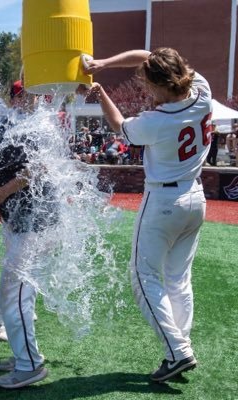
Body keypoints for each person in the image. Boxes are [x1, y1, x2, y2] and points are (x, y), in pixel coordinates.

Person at [83, 47, 212, 382]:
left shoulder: (157, 121)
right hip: (195, 196)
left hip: (163, 201)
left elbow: (119, 126)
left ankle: (178, 352)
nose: (145, 89)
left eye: (148, 84)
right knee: (178, 279)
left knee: (144, 279)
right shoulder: (202, 91)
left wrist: (100, 91)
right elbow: (149, 55)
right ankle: (180, 344)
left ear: (159, 84)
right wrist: (106, 62)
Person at [0, 81, 57, 389]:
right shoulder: (15, 125)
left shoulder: (34, 128)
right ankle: (22, 353)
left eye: (35, 94)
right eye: (26, 94)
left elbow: (37, 169)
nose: (33, 99)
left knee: (16, 297)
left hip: (34, 226)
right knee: (13, 290)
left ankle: (29, 365)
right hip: (25, 223)